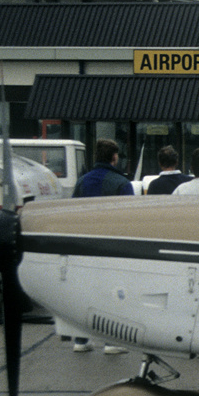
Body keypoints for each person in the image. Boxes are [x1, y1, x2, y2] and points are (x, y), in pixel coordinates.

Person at [70, 139, 131, 353]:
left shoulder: (82, 182)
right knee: (113, 293)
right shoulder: (121, 183)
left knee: (84, 293)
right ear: (114, 157)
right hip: (111, 247)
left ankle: (80, 340)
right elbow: (130, 219)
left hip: (84, 246)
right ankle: (112, 342)